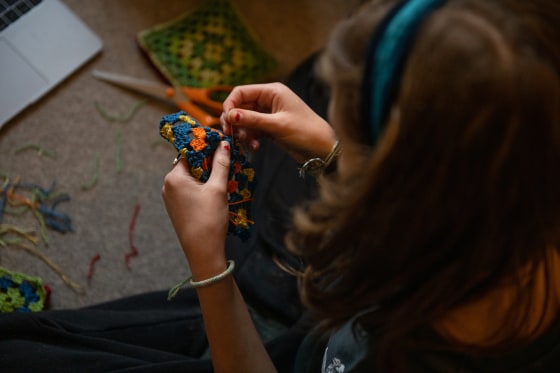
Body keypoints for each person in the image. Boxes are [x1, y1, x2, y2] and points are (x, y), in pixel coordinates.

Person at [2, 0, 560, 371]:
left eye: (339, 113)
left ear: (391, 184)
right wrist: (334, 153)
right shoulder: (508, 214)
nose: (325, 115)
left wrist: (208, 264)